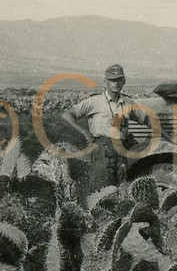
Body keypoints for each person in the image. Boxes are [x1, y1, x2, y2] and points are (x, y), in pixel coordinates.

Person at [62, 63, 151, 192]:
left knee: (125, 188)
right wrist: (84, 132)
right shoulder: (95, 101)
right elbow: (67, 114)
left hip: (124, 150)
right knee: (102, 190)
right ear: (105, 81)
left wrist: (168, 135)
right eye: (112, 80)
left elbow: (148, 120)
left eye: (119, 80)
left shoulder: (128, 102)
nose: (115, 83)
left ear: (124, 81)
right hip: (103, 151)